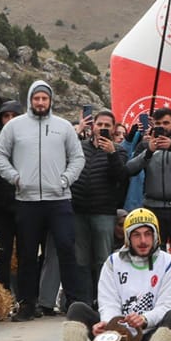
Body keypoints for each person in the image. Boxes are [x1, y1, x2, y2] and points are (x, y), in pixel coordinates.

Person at [0, 80, 86, 320]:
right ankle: (27, 304)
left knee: (66, 249)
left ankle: (74, 303)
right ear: (30, 101)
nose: (41, 102)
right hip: (27, 200)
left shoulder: (63, 127)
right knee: (27, 253)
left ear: (50, 101)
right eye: (37, 98)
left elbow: (78, 158)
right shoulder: (15, 127)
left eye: (45, 98)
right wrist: (15, 178)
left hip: (59, 199)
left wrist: (65, 179)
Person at [62, 207, 171, 341]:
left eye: (148, 234)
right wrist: (108, 325)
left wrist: (144, 319)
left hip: (148, 337)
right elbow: (108, 301)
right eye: (136, 235)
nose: (143, 240)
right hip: (116, 338)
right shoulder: (113, 262)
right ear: (128, 237)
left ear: (156, 236)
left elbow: (167, 305)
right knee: (77, 308)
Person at [70, 108, 127, 294]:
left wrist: (112, 154)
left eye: (107, 125)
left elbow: (120, 177)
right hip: (79, 211)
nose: (102, 127)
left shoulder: (119, 150)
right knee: (81, 259)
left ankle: (104, 299)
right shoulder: (79, 146)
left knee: (103, 259)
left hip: (103, 212)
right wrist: (77, 132)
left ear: (113, 128)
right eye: (100, 124)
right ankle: (85, 299)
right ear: (93, 126)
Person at [123, 106, 171, 251]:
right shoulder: (145, 145)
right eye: (158, 124)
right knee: (154, 250)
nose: (162, 127)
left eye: (166, 123)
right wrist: (148, 151)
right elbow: (130, 169)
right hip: (152, 207)